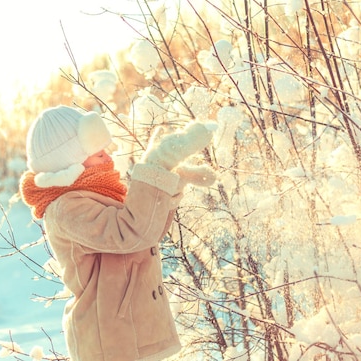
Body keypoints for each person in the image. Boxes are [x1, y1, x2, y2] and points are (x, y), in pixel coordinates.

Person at [19, 105, 215, 361]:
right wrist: (157, 164)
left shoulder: (98, 194)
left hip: (130, 333)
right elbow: (131, 232)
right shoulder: (67, 208)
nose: (108, 159)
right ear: (69, 161)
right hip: (110, 340)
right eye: (99, 154)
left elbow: (147, 234)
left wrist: (169, 185)